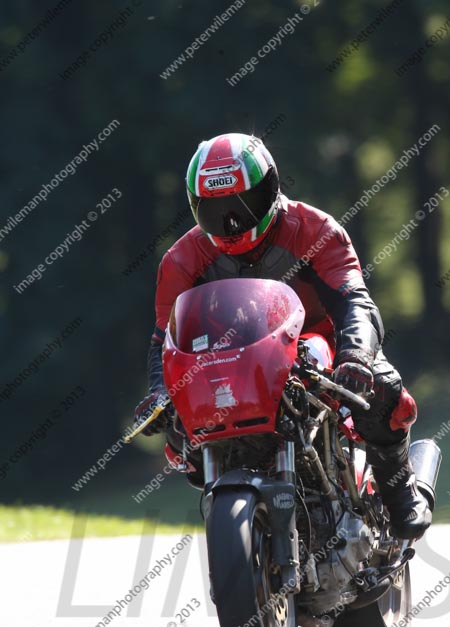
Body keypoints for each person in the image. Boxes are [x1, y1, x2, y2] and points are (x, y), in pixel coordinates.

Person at [133, 132, 431, 540]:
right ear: (195, 207)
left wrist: (357, 357)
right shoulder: (181, 259)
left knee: (384, 391)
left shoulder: (316, 230)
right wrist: (158, 392)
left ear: (271, 189)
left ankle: (401, 495)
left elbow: (354, 303)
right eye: (216, 210)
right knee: (180, 434)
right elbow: (164, 338)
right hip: (231, 365)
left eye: (242, 205)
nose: (232, 222)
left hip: (318, 352)